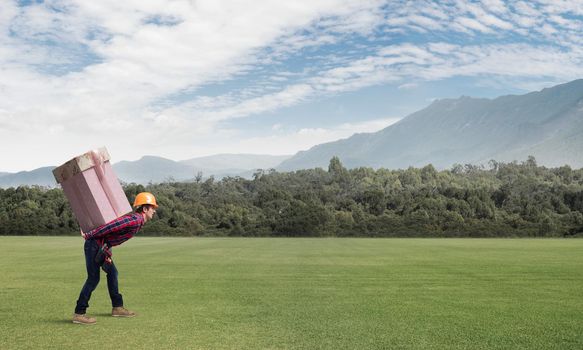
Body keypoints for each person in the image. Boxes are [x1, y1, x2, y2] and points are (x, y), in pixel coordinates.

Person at [72, 192, 158, 325]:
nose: (154, 211)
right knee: (93, 279)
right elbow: (111, 226)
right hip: (94, 244)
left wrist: (107, 253)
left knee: (113, 273)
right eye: (152, 208)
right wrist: (89, 234)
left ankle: (117, 307)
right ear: (145, 209)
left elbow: (111, 236)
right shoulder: (135, 219)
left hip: (102, 247)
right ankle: (79, 313)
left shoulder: (138, 221)